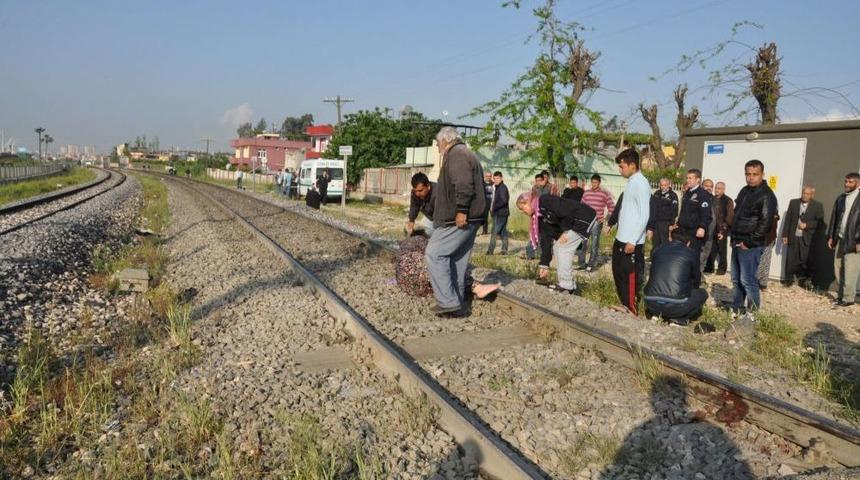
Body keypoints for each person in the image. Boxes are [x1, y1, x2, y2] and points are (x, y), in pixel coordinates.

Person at [424, 127, 489, 316]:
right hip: (471, 217)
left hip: (458, 218)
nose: (437, 148)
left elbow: (464, 185)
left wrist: (461, 210)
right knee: (457, 261)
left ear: (446, 140)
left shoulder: (457, 154)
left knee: (434, 254)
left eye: (438, 144)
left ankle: (447, 301)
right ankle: (458, 305)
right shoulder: (465, 153)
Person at [516, 191, 596, 294]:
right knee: (557, 247)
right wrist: (544, 265)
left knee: (563, 248)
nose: (522, 212)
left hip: (584, 218)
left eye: (522, 208)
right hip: (576, 221)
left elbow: (564, 211)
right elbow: (546, 241)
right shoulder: (540, 216)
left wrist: (565, 231)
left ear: (529, 201)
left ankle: (567, 285)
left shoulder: (545, 201)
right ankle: (567, 283)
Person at [729, 159, 778, 314]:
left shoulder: (766, 195)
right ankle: (737, 309)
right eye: (748, 174)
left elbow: (765, 223)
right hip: (738, 240)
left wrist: (749, 242)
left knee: (748, 280)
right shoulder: (745, 190)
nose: (750, 177)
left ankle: (752, 313)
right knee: (736, 280)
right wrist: (733, 237)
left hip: (750, 244)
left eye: (754, 174)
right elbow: (737, 215)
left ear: (762, 174)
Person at [612, 149, 650, 315]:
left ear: (633, 166)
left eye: (622, 166)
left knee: (630, 275)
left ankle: (632, 308)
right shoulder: (632, 182)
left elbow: (644, 215)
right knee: (618, 272)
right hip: (621, 237)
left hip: (631, 241)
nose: (620, 170)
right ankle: (624, 304)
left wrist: (633, 241)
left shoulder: (641, 183)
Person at [644, 229, 709, 325]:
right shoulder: (690, 253)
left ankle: (657, 315)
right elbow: (696, 281)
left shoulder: (658, 250)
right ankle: (680, 319)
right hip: (676, 306)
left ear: (670, 238)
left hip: (650, 302)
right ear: (688, 243)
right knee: (703, 293)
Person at [828, 172, 860, 307]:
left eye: (850, 182)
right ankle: (841, 296)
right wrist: (831, 236)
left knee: (850, 269)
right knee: (838, 267)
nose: (846, 184)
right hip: (840, 238)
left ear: (857, 184)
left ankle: (848, 298)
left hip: (854, 240)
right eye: (846, 181)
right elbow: (834, 218)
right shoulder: (841, 198)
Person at [782, 185, 824, 287]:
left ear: (812, 195)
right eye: (804, 193)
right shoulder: (794, 203)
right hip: (794, 236)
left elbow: (820, 223)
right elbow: (788, 219)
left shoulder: (817, 206)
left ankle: (805, 281)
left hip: (807, 238)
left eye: (807, 194)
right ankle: (788, 281)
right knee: (791, 259)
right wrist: (785, 235)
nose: (805, 196)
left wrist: (807, 225)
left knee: (805, 260)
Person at [578, 174, 616, 272]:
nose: (594, 184)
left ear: (599, 183)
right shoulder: (586, 193)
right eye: (592, 182)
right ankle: (582, 263)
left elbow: (612, 207)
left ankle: (591, 264)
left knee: (594, 244)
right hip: (586, 222)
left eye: (596, 182)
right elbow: (581, 207)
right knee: (583, 243)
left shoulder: (604, 194)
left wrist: (605, 218)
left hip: (597, 222)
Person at [674, 169, 713, 256]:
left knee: (692, 257)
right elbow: (684, 211)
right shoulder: (687, 193)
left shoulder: (702, 194)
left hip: (694, 232)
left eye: (690, 178)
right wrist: (678, 223)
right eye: (687, 178)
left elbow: (706, 214)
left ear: (698, 180)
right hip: (683, 231)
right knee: (682, 257)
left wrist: (702, 227)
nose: (687, 180)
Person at [704, 181, 734, 275]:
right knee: (712, 248)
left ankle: (722, 269)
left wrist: (723, 229)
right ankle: (709, 267)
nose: (717, 190)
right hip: (712, 227)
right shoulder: (712, 199)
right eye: (716, 188)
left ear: (723, 189)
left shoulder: (728, 200)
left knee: (722, 249)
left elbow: (730, 216)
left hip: (722, 227)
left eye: (719, 188)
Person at [647, 178, 679, 252]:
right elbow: (652, 207)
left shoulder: (673, 195)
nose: (663, 187)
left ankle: (664, 261)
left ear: (668, 185)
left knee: (664, 243)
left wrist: (671, 223)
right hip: (656, 222)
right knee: (655, 242)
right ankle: (654, 259)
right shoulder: (657, 193)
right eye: (661, 185)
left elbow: (674, 211)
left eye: (665, 185)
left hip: (665, 223)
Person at [406, 172, 436, 236]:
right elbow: (414, 206)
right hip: (430, 216)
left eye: (420, 190)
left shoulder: (438, 193)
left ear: (428, 186)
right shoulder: (415, 193)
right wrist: (411, 220)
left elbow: (442, 218)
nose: (417, 194)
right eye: (415, 191)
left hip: (446, 220)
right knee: (421, 232)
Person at [487, 171, 510, 255]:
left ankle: (490, 251)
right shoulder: (496, 188)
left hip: (501, 213)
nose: (496, 180)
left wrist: (494, 208)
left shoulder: (502, 188)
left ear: (501, 178)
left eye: (497, 178)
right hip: (499, 213)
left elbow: (504, 201)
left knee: (494, 232)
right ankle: (504, 250)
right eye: (495, 178)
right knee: (503, 232)